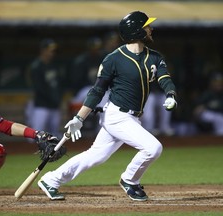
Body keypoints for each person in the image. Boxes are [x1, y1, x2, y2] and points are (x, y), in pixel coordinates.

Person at [37, 11, 177, 201]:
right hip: (116, 116)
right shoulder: (113, 59)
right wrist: (79, 118)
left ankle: (51, 179)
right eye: (147, 26)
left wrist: (170, 94)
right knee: (153, 148)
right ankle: (130, 180)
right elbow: (97, 91)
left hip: (132, 117)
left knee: (96, 155)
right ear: (136, 31)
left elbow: (164, 78)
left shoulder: (154, 56)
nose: (151, 29)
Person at [26, 38, 64, 137]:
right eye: (50, 50)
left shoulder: (54, 65)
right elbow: (38, 88)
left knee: (54, 134)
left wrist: (58, 99)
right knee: (36, 135)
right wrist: (53, 98)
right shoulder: (36, 66)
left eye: (53, 51)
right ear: (43, 50)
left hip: (54, 105)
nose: (52, 53)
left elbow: (59, 85)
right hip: (41, 106)